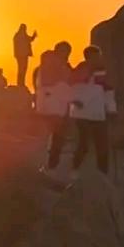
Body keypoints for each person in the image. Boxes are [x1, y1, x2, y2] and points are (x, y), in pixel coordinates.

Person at [68, 46, 116, 175]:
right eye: (97, 55)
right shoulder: (80, 69)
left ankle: (102, 174)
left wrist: (111, 109)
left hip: (98, 113)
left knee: (102, 146)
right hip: (83, 113)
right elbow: (71, 87)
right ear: (90, 56)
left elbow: (108, 89)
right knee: (83, 145)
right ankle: (75, 171)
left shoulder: (101, 70)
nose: (99, 58)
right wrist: (74, 100)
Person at [34, 42, 74, 170]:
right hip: (52, 106)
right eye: (66, 53)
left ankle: (50, 165)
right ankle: (48, 166)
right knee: (53, 136)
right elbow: (52, 81)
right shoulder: (52, 63)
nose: (67, 56)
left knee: (56, 137)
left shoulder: (60, 64)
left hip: (56, 106)